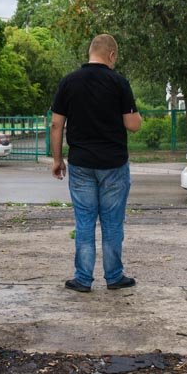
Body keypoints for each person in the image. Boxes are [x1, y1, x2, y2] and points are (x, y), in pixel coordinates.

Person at [50, 33, 142, 292]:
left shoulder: (69, 82)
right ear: (111, 55)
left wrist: (58, 160)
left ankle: (82, 279)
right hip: (113, 165)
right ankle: (114, 277)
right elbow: (132, 125)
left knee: (84, 222)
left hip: (80, 165)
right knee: (112, 223)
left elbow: (57, 124)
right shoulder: (119, 82)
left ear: (90, 52)